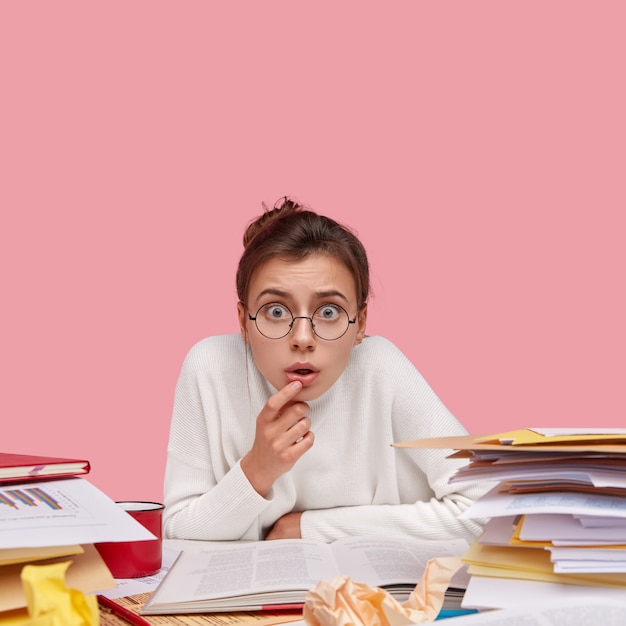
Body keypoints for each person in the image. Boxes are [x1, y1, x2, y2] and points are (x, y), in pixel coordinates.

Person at [163, 197, 487, 543]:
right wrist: (258, 468)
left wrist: (310, 529)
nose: (302, 339)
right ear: (244, 321)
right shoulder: (209, 367)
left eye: (329, 312)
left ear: (360, 323)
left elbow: (486, 510)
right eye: (275, 311)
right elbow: (177, 530)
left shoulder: (381, 367)